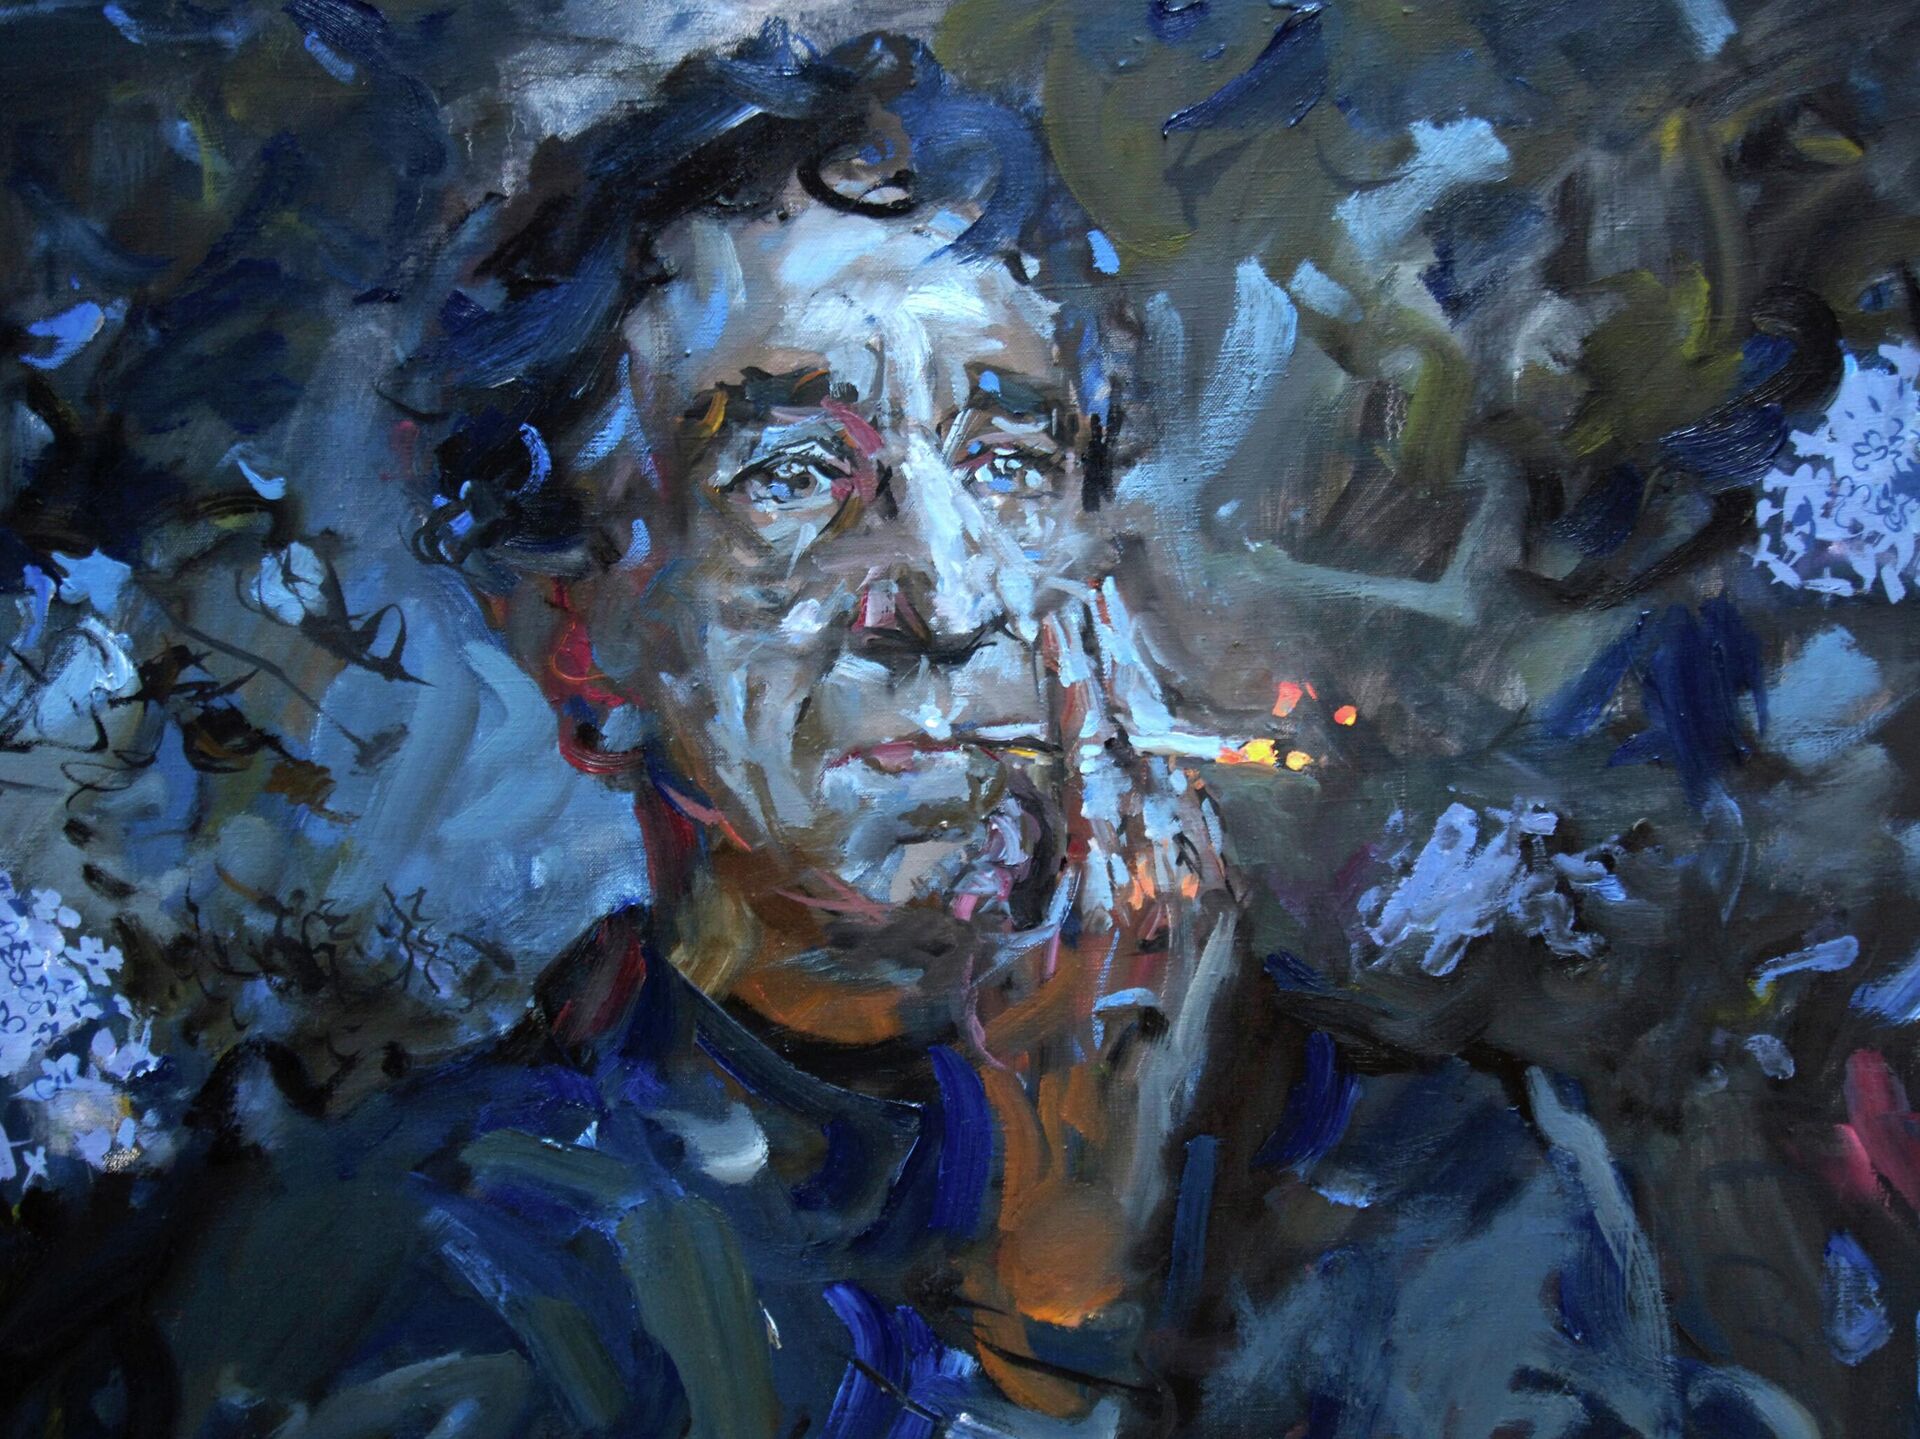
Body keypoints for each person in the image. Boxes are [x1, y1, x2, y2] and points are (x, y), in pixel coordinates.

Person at [3, 27, 1274, 1439]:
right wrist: (1060, 1299)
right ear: (579, 637)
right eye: (794, 473)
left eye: (1006, 462)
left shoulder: (1345, 1146)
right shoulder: (461, 1257)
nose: (953, 595)